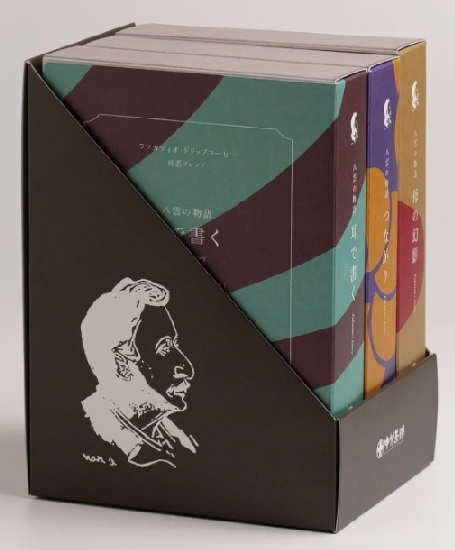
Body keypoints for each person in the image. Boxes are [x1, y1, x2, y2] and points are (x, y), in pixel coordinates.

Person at [81, 277, 198, 468]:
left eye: (174, 345)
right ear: (121, 364)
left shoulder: (179, 438)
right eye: (164, 348)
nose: (186, 368)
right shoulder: (90, 435)